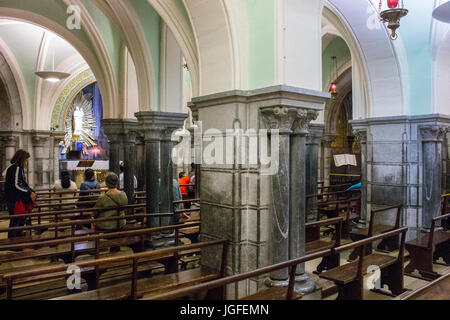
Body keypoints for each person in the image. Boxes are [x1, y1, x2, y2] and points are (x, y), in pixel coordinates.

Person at [4, 150, 36, 238]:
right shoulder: (16, 168)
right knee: (16, 221)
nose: (27, 162)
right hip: (14, 199)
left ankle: (17, 239)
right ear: (22, 159)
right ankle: (14, 241)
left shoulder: (16, 168)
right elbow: (16, 185)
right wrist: (29, 192)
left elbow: (22, 183)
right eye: (26, 159)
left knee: (18, 221)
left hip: (14, 198)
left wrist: (31, 190)